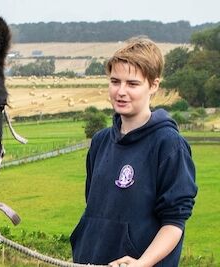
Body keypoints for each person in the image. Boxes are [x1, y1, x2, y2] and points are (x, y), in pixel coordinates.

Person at [70, 37, 198, 267]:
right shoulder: (99, 142)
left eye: (132, 84)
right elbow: (94, 206)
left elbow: (174, 222)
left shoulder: (169, 144)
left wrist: (142, 263)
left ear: (154, 85)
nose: (121, 91)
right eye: (115, 81)